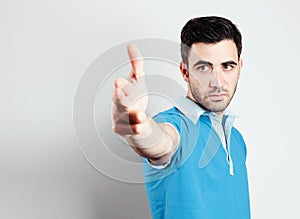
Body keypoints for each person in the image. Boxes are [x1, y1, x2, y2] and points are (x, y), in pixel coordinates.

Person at [112, 16, 250, 219]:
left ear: (239, 67)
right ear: (185, 71)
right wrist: (137, 126)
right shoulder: (178, 125)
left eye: (227, 66)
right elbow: (161, 141)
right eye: (204, 67)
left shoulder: (237, 139)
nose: (217, 82)